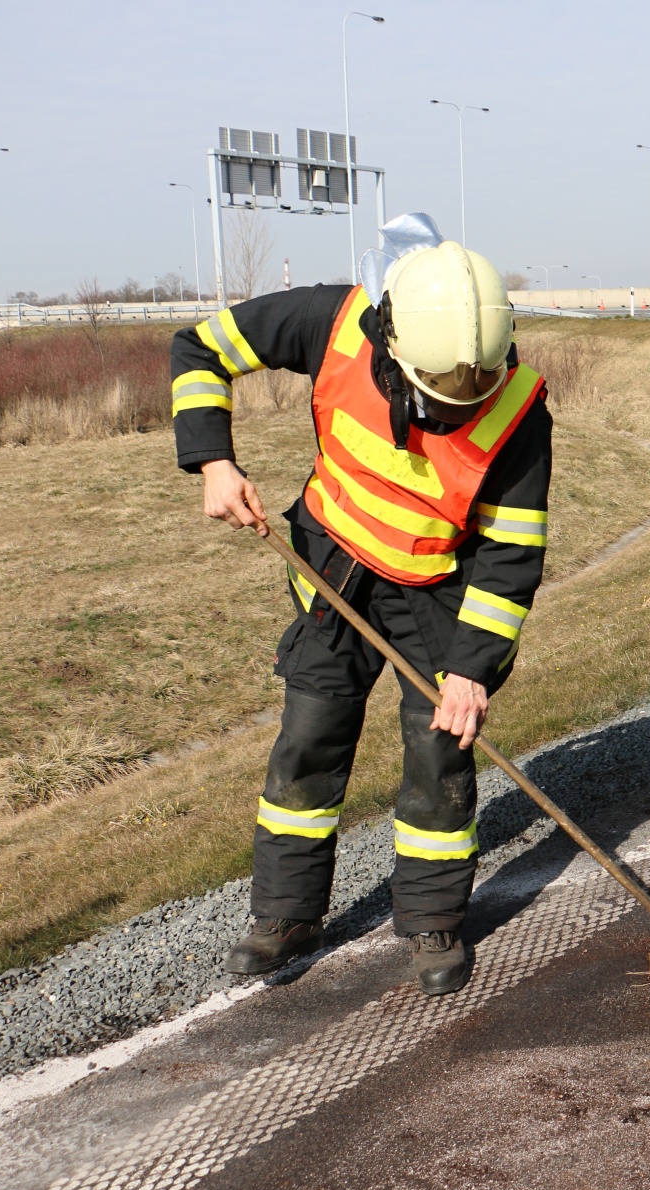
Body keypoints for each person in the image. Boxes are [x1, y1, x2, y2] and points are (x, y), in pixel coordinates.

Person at [170, 215, 552, 996]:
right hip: (334, 563)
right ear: (393, 344)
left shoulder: (517, 410)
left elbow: (512, 557)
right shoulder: (331, 322)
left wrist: (472, 671)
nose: (456, 411)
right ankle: (286, 914)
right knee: (309, 735)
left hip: (441, 588)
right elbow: (199, 346)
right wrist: (213, 460)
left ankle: (433, 917)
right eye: (440, 397)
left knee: (440, 749)